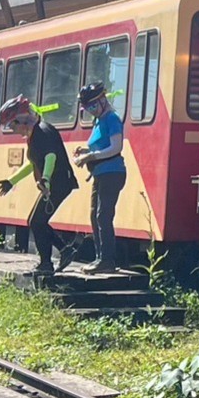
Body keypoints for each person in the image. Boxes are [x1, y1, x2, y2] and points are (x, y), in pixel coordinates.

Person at [0, 97, 78, 280]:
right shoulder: (35, 134)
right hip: (54, 183)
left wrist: (46, 179)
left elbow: (51, 157)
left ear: (21, 120)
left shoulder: (43, 132)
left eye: (11, 126)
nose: (12, 130)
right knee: (36, 221)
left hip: (59, 183)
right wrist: (11, 180)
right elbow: (33, 163)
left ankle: (46, 264)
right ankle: (64, 250)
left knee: (36, 221)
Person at [76, 81, 128, 271]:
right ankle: (100, 258)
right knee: (94, 215)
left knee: (103, 215)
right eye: (87, 107)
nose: (91, 110)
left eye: (93, 105)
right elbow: (99, 144)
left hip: (112, 172)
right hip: (100, 173)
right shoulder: (98, 121)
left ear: (103, 99)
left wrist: (91, 156)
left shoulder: (111, 118)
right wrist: (85, 149)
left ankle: (107, 260)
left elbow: (116, 147)